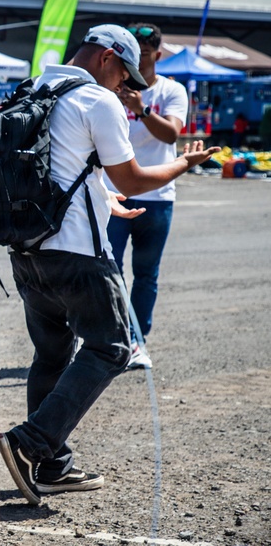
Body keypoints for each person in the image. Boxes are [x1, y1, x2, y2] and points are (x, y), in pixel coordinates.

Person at [0, 25, 219, 506]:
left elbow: (60, 168)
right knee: (114, 347)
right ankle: (31, 443)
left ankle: (52, 466)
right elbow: (134, 178)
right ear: (105, 58)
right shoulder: (97, 100)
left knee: (52, 355)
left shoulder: (35, 88)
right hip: (78, 252)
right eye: (124, 74)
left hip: (28, 249)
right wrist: (184, 163)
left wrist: (104, 200)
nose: (126, 86)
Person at [104, 24, 189, 370]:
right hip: (116, 195)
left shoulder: (171, 90)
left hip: (158, 196)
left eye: (145, 49)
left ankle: (137, 341)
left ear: (157, 53)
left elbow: (171, 134)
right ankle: (114, 336)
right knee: (109, 270)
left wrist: (141, 109)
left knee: (146, 273)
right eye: (134, 48)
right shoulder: (112, 90)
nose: (139, 54)